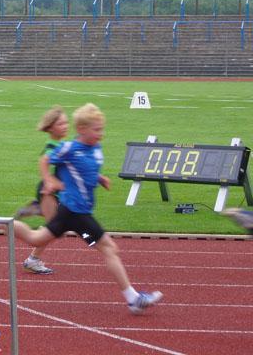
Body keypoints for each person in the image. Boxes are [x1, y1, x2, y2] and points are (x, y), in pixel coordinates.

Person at [10, 103, 162, 314]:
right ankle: (133, 299)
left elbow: (84, 169)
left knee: (36, 239)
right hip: (75, 211)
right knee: (109, 248)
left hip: (72, 211)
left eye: (102, 129)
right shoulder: (70, 148)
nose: (101, 133)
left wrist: (99, 178)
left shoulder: (95, 148)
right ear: (82, 129)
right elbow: (45, 160)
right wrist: (48, 181)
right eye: (96, 129)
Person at [15, 106, 69, 275]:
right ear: (51, 128)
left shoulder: (62, 144)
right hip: (48, 191)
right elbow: (45, 160)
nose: (66, 126)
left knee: (56, 229)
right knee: (54, 230)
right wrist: (49, 181)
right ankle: (33, 260)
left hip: (53, 192)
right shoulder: (52, 147)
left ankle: (36, 209)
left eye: (66, 122)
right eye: (61, 124)